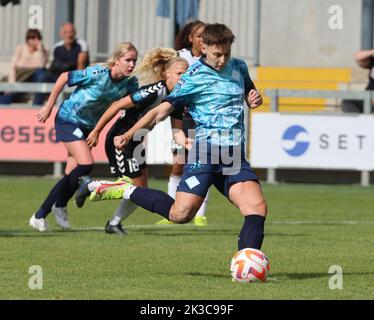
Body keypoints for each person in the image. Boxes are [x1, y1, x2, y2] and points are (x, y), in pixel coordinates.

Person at [86, 24, 267, 253]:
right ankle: (125, 189)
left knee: (256, 207)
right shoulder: (193, 76)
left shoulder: (239, 67)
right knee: (180, 214)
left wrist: (253, 100)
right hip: (206, 153)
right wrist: (130, 133)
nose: (222, 60)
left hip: (234, 155)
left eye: (226, 54)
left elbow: (250, 94)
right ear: (204, 47)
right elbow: (160, 111)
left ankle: (246, 263)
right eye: (217, 55)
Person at [74, 48, 189, 235]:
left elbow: (177, 131)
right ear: (167, 73)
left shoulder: (177, 98)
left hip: (136, 143)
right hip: (120, 140)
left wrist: (186, 143)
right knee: (130, 185)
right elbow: (117, 105)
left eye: (187, 73)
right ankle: (90, 185)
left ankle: (114, 223)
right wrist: (96, 131)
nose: (183, 77)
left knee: (140, 190)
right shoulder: (154, 91)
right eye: (179, 73)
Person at [29, 42, 139, 232]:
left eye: (134, 61)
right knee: (86, 163)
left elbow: (126, 106)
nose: (131, 64)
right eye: (128, 60)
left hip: (88, 126)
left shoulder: (130, 83)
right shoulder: (98, 73)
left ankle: (49, 210)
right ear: (117, 60)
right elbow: (64, 77)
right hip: (67, 119)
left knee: (72, 173)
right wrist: (49, 106)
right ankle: (46, 211)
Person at [157, 20, 209, 227]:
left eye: (206, 36)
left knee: (202, 165)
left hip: (202, 118)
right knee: (178, 164)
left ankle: (200, 215)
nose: (202, 39)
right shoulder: (180, 56)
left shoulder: (212, 59)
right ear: (191, 38)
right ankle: (171, 210)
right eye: (199, 35)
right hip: (182, 116)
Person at [33, 22, 90, 105]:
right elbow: (53, 67)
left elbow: (81, 65)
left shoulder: (81, 44)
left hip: (74, 77)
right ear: (61, 34)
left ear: (75, 33)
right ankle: (37, 106)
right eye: (66, 32)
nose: (69, 35)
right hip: (59, 77)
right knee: (41, 75)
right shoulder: (57, 47)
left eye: (71, 32)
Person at [0, 28, 48, 104]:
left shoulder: (43, 51)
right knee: (9, 96)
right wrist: (11, 85)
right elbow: (13, 66)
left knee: (40, 72)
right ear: (28, 39)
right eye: (32, 38)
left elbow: (41, 65)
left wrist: (40, 50)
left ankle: (36, 105)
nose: (35, 40)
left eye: (38, 38)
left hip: (32, 78)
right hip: (19, 77)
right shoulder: (21, 48)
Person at [342, 49, 374, 113]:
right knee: (347, 102)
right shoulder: (372, 62)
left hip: (371, 101)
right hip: (367, 99)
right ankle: (357, 122)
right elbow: (358, 56)